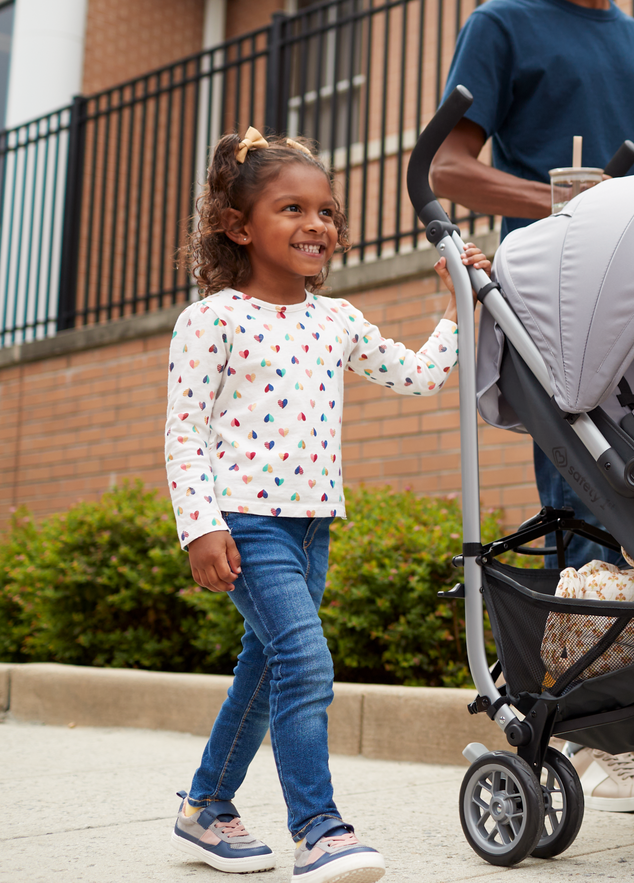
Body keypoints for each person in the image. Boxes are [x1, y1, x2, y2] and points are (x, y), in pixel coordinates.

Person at [428, 0, 634, 812]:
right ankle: (574, 727)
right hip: (555, 297)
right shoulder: (502, 25)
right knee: (579, 498)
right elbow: (452, 171)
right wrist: (556, 195)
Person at [165, 126, 489, 879]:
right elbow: (184, 433)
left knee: (266, 667)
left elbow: (415, 377)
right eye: (291, 209)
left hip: (313, 526)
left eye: (327, 212)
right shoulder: (210, 319)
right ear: (237, 226)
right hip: (244, 521)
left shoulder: (335, 319)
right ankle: (320, 829)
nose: (317, 225)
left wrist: (455, 306)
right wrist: (200, 526)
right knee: (305, 662)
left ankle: (206, 806)